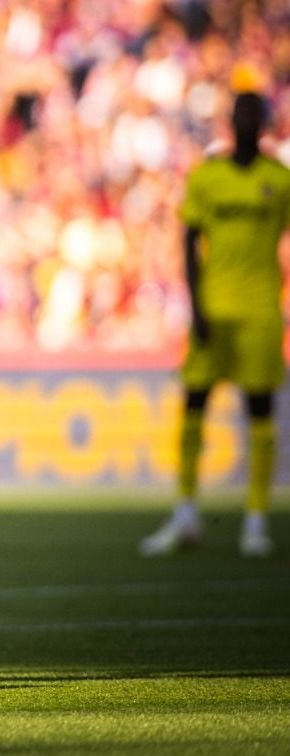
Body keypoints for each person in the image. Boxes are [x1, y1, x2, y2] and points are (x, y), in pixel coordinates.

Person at [141, 90, 287, 559]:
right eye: (239, 113)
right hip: (213, 309)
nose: (245, 120)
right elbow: (187, 240)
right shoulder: (209, 177)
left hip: (262, 309)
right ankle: (185, 513)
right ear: (231, 121)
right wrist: (197, 306)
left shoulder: (279, 180)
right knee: (194, 407)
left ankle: (256, 520)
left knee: (260, 412)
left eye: (253, 114)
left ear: (262, 123)